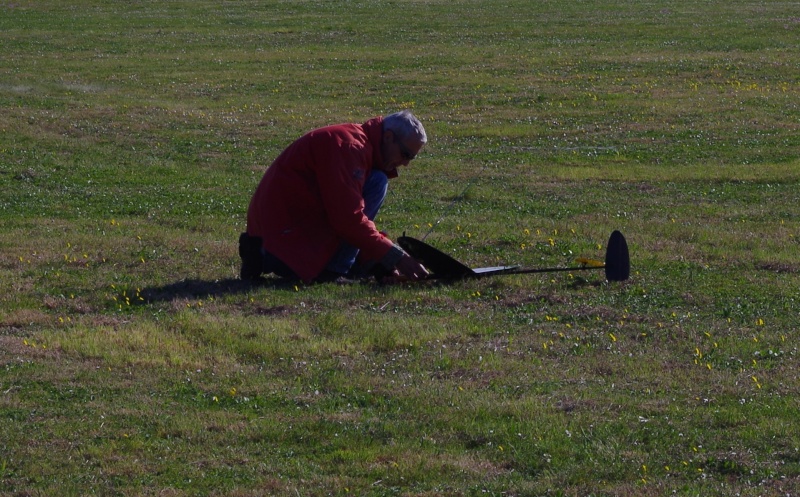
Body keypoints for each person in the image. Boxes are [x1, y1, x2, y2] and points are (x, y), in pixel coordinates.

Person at [239, 110, 430, 283]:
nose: (405, 164)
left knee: (376, 179)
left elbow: (344, 213)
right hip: (280, 243)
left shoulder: (355, 144)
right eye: (405, 154)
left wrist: (378, 262)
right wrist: (395, 257)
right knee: (378, 182)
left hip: (275, 237)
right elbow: (348, 220)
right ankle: (333, 271)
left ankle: (339, 264)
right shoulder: (349, 148)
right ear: (388, 137)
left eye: (411, 158)